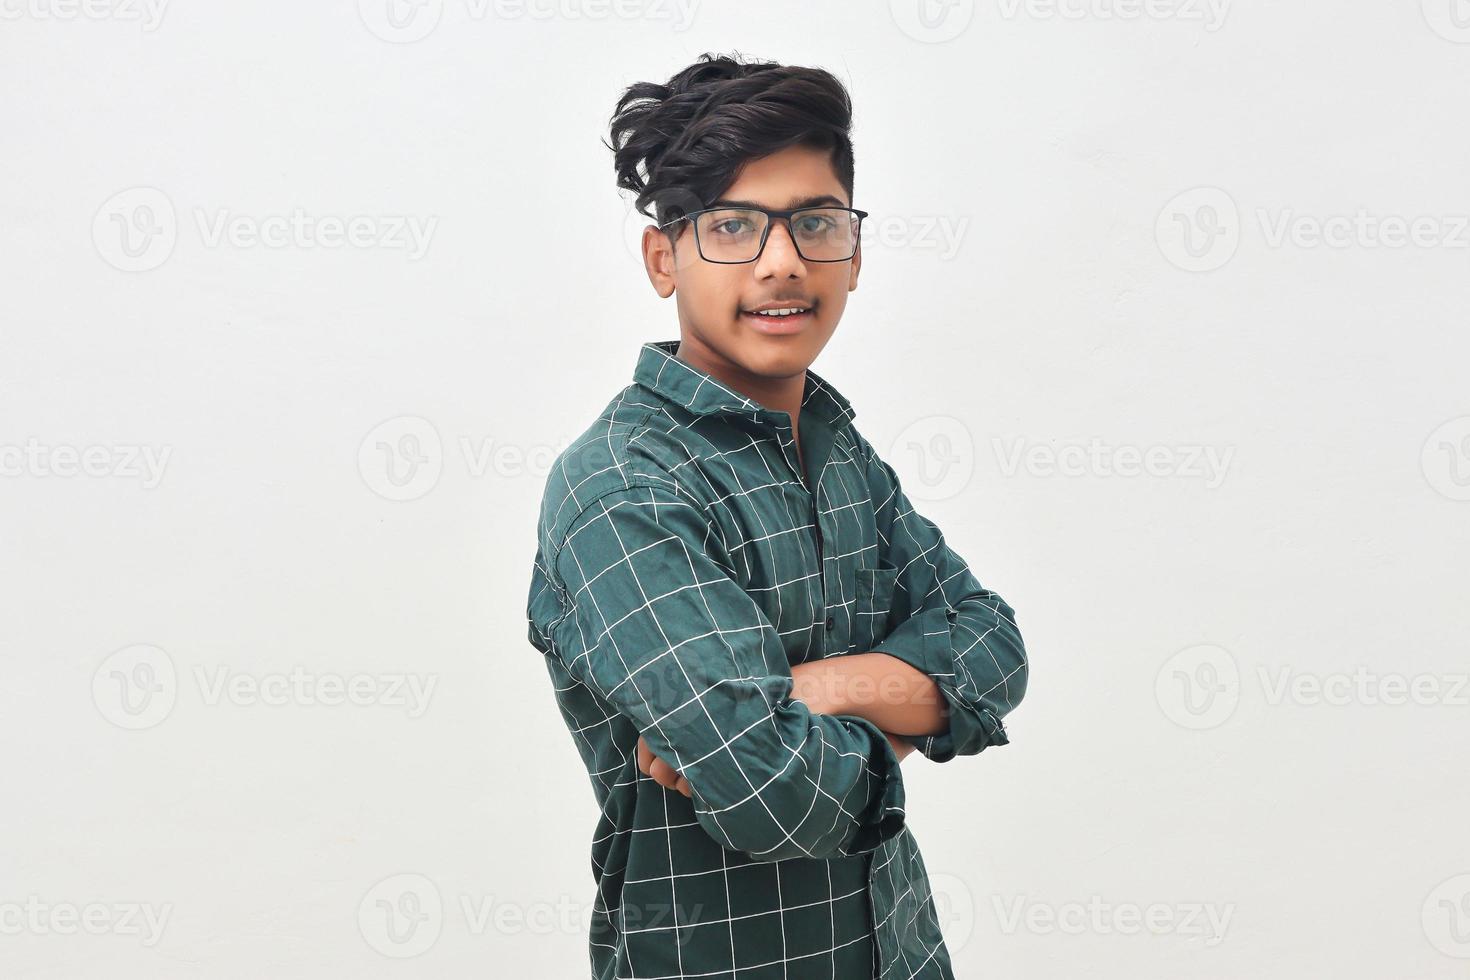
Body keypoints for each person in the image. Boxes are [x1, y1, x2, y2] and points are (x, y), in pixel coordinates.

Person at [525, 51, 1029, 980]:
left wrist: (816, 687)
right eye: (732, 226)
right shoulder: (624, 490)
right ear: (662, 258)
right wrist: (910, 697)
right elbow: (773, 794)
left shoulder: (837, 449)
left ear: (856, 249)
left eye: (815, 222)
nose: (783, 261)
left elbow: (994, 646)